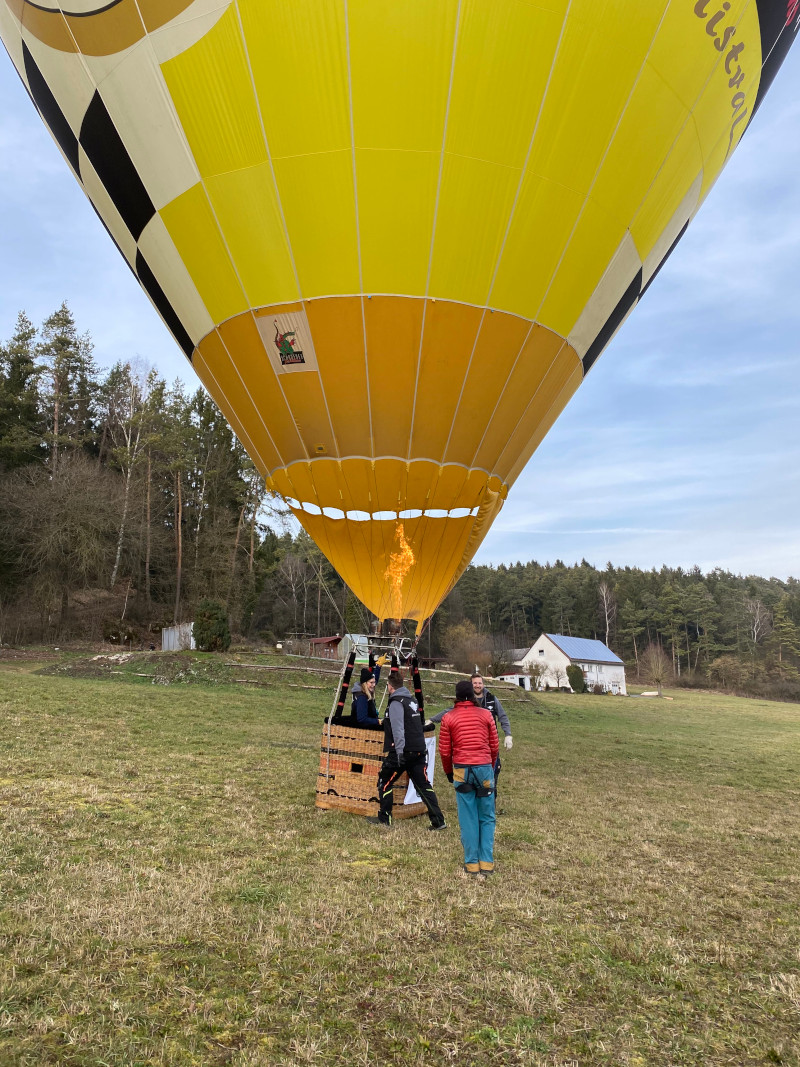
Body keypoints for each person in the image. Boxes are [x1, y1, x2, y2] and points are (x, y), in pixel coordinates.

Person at [366, 670, 446, 830]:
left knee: (384, 781)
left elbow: (398, 729)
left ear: (390, 686)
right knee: (423, 785)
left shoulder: (396, 703)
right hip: (418, 749)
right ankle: (438, 821)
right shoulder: (412, 701)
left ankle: (384, 818)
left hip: (403, 751)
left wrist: (400, 753)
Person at [439, 679, 499, 877]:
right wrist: (489, 768)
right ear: (473, 695)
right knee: (487, 816)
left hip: (461, 769)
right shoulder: (486, 714)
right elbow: (494, 746)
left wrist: (449, 771)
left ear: (456, 696)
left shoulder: (449, 718)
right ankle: (487, 862)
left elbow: (445, 751)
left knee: (468, 817)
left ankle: (472, 864)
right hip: (483, 768)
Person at [470, 672, 512, 800]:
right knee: (475, 774)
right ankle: (476, 800)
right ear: (471, 685)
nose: (477, 685)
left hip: (491, 744)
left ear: (483, 684)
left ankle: (491, 802)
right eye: (475, 683)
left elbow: (503, 716)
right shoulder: (466, 700)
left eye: (479, 683)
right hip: (473, 744)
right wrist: (433, 719)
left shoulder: (492, 699)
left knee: (493, 772)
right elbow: (451, 711)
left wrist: (508, 735)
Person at [351, 655, 386, 727]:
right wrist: (377, 721)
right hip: (362, 730)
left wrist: (378, 667)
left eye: (374, 683)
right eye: (371, 683)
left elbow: (374, 679)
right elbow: (362, 719)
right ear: (365, 684)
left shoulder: (366, 693)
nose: (374, 685)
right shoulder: (362, 697)